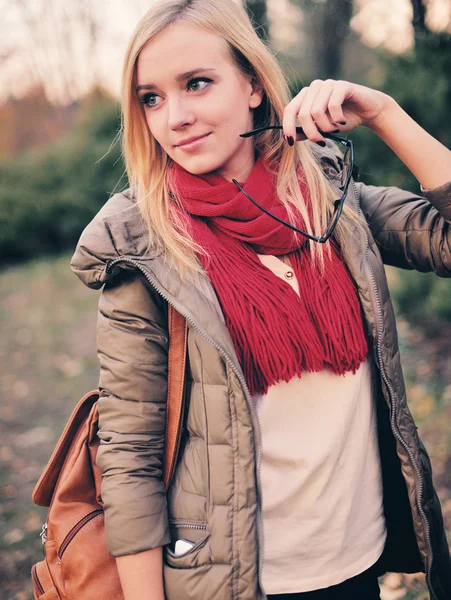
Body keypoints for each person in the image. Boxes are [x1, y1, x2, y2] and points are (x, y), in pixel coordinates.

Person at [70, 0, 451, 598]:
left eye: (197, 83)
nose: (175, 117)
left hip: (357, 559)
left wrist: (383, 111)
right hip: (240, 580)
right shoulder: (142, 248)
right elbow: (131, 458)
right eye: (152, 98)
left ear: (252, 85)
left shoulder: (330, 198)